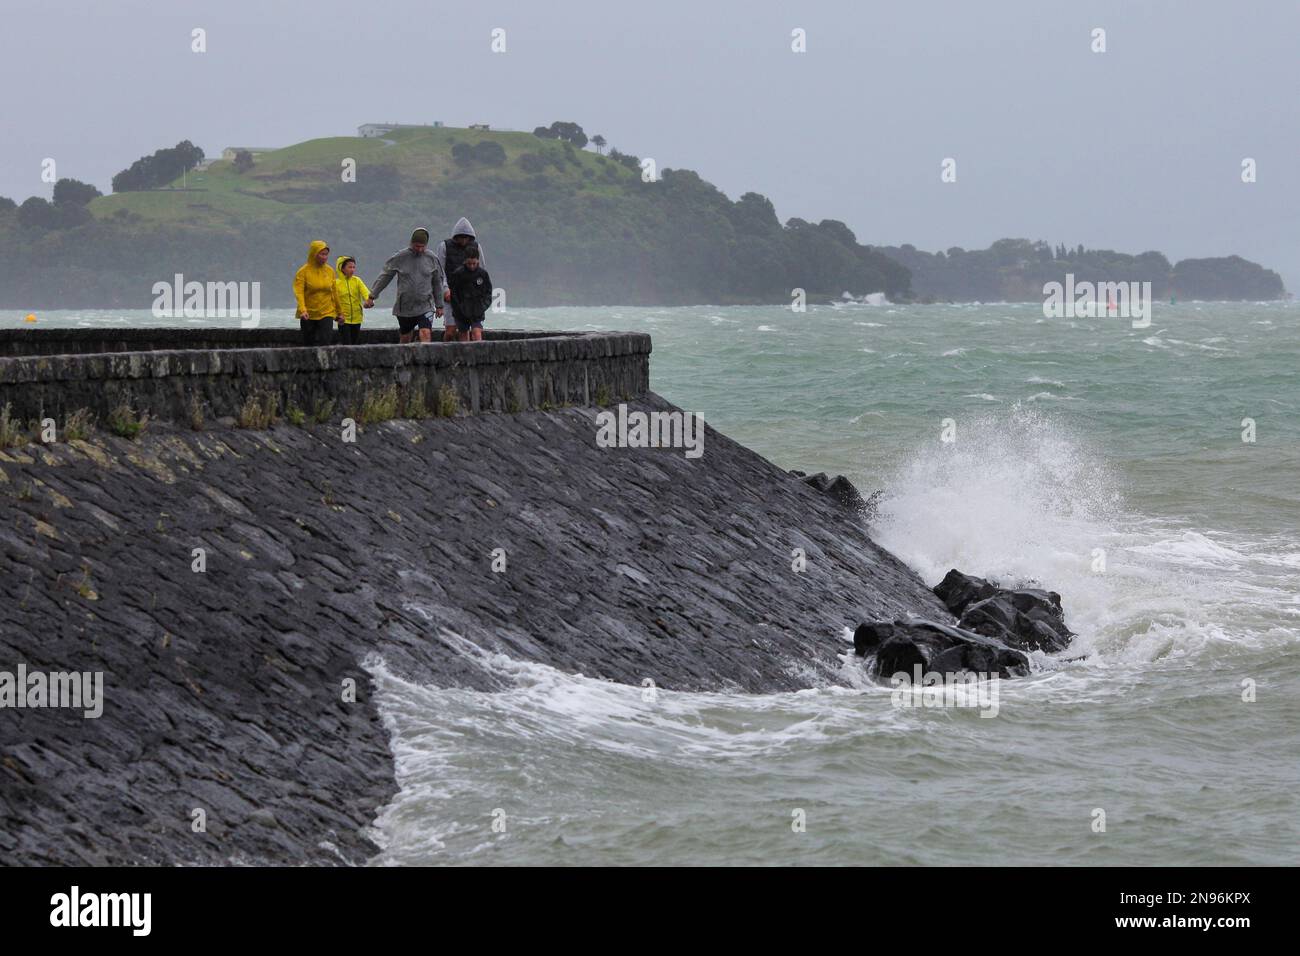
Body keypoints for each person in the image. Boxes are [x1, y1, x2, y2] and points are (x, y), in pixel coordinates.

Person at [369, 227, 445, 343]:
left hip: (426, 305)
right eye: (416, 246)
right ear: (411, 243)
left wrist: (439, 305)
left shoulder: (432, 258)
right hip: (405, 307)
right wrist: (372, 296)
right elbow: (385, 276)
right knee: (405, 337)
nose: (419, 249)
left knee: (425, 332)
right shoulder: (400, 257)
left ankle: (425, 359)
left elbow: (437, 282)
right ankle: (404, 360)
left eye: (422, 246)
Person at [434, 217, 484, 342]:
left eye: (466, 237)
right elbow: (440, 271)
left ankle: (465, 357)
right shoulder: (444, 246)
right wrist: (445, 289)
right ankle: (444, 351)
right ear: (455, 236)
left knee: (464, 330)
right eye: (461, 237)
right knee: (450, 332)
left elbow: (481, 271)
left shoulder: (476, 247)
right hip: (450, 294)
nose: (463, 240)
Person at [293, 240, 343, 345]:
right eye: (322, 254)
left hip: (327, 312)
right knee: (308, 344)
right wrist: (303, 310)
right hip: (308, 313)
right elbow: (299, 292)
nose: (325, 257)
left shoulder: (330, 271)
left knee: (325, 341)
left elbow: (334, 293)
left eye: (326, 254)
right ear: (314, 254)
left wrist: (340, 312)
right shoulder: (303, 272)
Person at [446, 243, 493, 342]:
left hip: (478, 311)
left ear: (478, 261)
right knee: (463, 336)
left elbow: (488, 293)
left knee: (477, 333)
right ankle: (465, 356)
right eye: (469, 263)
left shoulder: (483, 274)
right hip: (461, 312)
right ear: (464, 261)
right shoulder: (458, 274)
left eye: (474, 263)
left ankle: (479, 356)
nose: (472, 266)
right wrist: (459, 309)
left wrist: (482, 307)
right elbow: (454, 295)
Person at [334, 255, 374, 344]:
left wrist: (369, 301)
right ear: (342, 268)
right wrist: (336, 316)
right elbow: (332, 302)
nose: (352, 269)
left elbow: (365, 293)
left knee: (354, 344)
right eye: (349, 267)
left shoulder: (357, 280)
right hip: (343, 319)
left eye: (354, 267)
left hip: (357, 318)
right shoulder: (336, 284)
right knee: (347, 344)